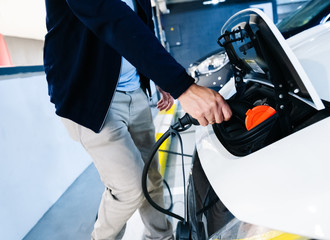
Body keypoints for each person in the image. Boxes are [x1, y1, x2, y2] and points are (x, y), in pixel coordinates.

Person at [43, 0, 232, 239]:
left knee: (151, 180)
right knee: (128, 188)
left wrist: (157, 78)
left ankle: (160, 236)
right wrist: (182, 87)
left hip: (134, 92)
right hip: (91, 99)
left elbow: (140, 27)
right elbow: (111, 15)